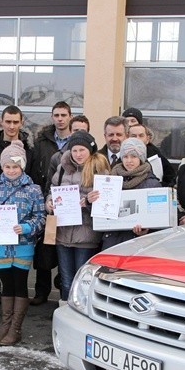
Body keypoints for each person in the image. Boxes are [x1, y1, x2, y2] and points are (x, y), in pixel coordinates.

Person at [0, 140, 45, 345]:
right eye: (8, 166)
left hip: (22, 244)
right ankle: (5, 326)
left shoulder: (33, 189)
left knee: (20, 284)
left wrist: (25, 228)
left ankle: (16, 329)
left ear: (22, 166)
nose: (11, 170)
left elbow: (41, 217)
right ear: (2, 166)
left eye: (15, 166)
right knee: (5, 285)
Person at [46, 131, 109, 305]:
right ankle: (65, 316)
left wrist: (88, 203)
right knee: (66, 281)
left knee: (84, 282)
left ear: (90, 150)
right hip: (63, 234)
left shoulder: (99, 169)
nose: (78, 154)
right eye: (74, 150)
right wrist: (50, 203)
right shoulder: (61, 169)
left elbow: (107, 204)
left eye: (82, 150)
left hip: (86, 235)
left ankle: (82, 316)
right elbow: (52, 190)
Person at [27, 101, 72, 307]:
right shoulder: (42, 142)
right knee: (44, 250)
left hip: (71, 203)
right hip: (48, 200)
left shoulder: (76, 142)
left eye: (63, 115)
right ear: (52, 117)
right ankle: (41, 291)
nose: (60, 118)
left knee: (66, 248)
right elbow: (36, 170)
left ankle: (65, 291)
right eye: (56, 115)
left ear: (69, 117)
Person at [100, 138, 163, 250]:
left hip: (138, 244)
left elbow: (159, 219)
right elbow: (101, 211)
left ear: (141, 158)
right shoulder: (111, 180)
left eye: (134, 156)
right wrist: (92, 201)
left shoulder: (152, 183)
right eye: (125, 156)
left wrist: (146, 230)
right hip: (112, 240)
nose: (129, 161)